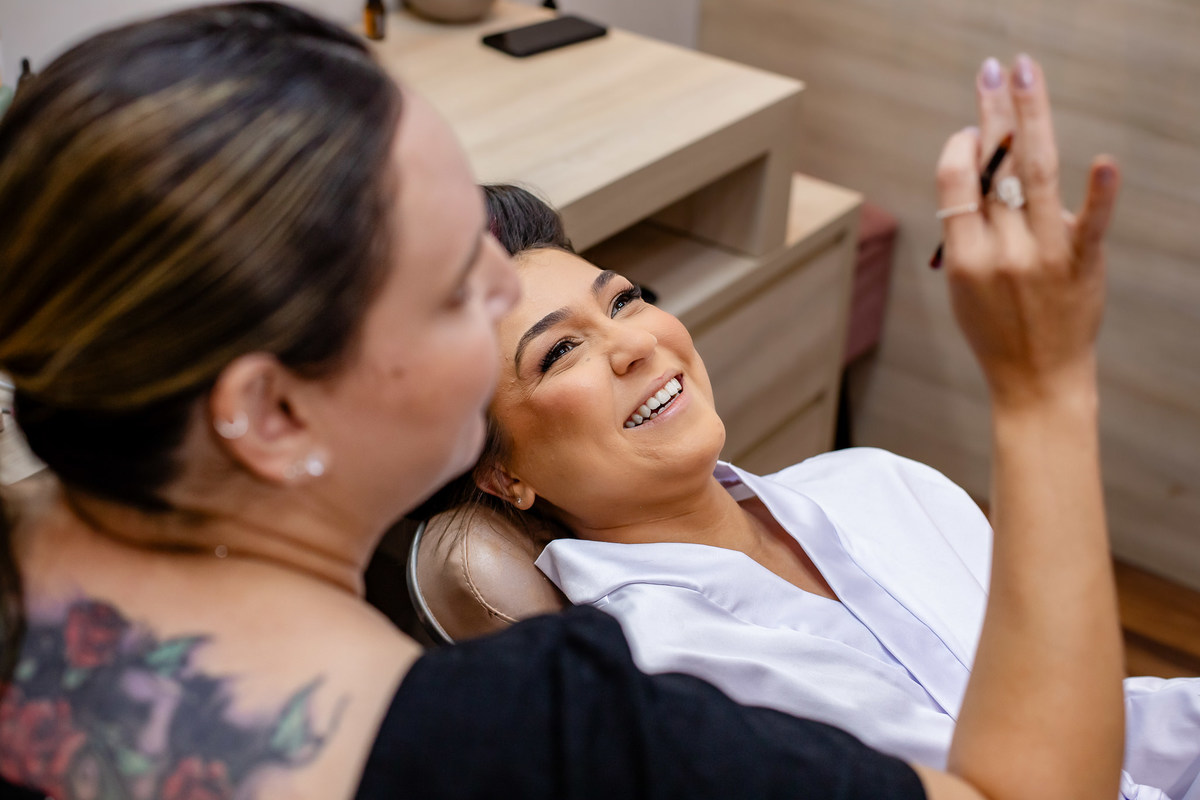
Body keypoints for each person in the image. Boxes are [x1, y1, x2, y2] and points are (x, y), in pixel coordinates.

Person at [0, 2, 1124, 797]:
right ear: (272, 412)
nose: (507, 289)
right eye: (458, 286)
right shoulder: (554, 738)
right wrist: (1042, 389)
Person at [447, 65, 1192, 800]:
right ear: (503, 474)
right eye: (559, 352)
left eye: (623, 300)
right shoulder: (663, 682)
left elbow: (1088, 720)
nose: (636, 342)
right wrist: (1044, 387)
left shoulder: (878, 481)